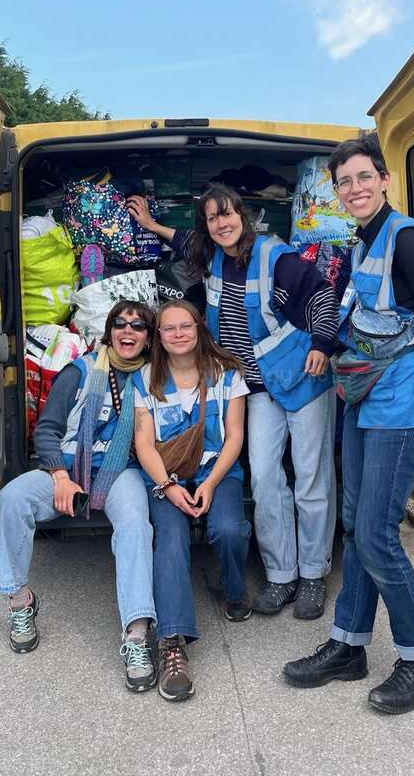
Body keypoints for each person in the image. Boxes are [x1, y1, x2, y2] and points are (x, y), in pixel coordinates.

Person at [282, 136, 414, 715]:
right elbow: (360, 316)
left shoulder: (406, 238)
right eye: (344, 182)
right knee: (357, 527)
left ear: (385, 179)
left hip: (404, 407)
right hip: (364, 400)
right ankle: (348, 645)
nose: (354, 189)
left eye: (363, 178)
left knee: (379, 535)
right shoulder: (361, 245)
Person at [128, 187, 339, 621]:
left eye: (226, 214)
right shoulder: (213, 257)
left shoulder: (273, 256)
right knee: (263, 478)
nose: (221, 223)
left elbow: (320, 294)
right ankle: (282, 576)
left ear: (242, 215)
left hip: (302, 377)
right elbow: (186, 240)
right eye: (211, 218)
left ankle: (314, 574)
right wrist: (150, 225)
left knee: (310, 476)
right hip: (257, 388)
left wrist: (322, 343)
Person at [0, 300, 158, 691]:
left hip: (122, 472)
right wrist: (61, 477)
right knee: (10, 500)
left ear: (149, 338)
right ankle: (19, 600)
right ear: (109, 330)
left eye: (138, 326)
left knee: (135, 523)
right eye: (120, 323)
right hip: (66, 468)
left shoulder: (155, 377)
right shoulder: (80, 371)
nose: (128, 332)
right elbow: (47, 430)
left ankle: (136, 633)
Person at [133, 300, 251, 702]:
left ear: (200, 329)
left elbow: (234, 436)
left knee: (229, 529)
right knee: (168, 540)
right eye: (169, 328)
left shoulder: (227, 374)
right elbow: (144, 444)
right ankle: (172, 643)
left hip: (218, 472)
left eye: (186, 326)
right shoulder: (146, 378)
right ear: (159, 337)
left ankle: (234, 591)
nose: (179, 334)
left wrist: (213, 482)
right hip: (167, 477)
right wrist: (168, 486)